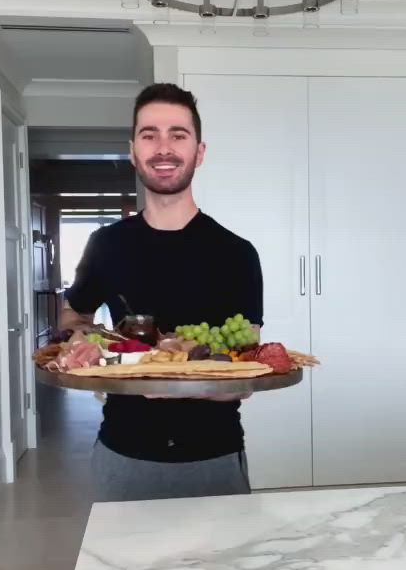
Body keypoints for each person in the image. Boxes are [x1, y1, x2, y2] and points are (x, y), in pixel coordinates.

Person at [60, 82, 263, 501]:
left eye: (178, 135)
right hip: (123, 453)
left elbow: (244, 376)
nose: (163, 148)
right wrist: (82, 341)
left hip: (214, 457)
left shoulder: (237, 254)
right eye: (149, 135)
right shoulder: (105, 244)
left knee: (224, 569)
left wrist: (172, 383)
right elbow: (72, 316)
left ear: (199, 152)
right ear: (133, 150)